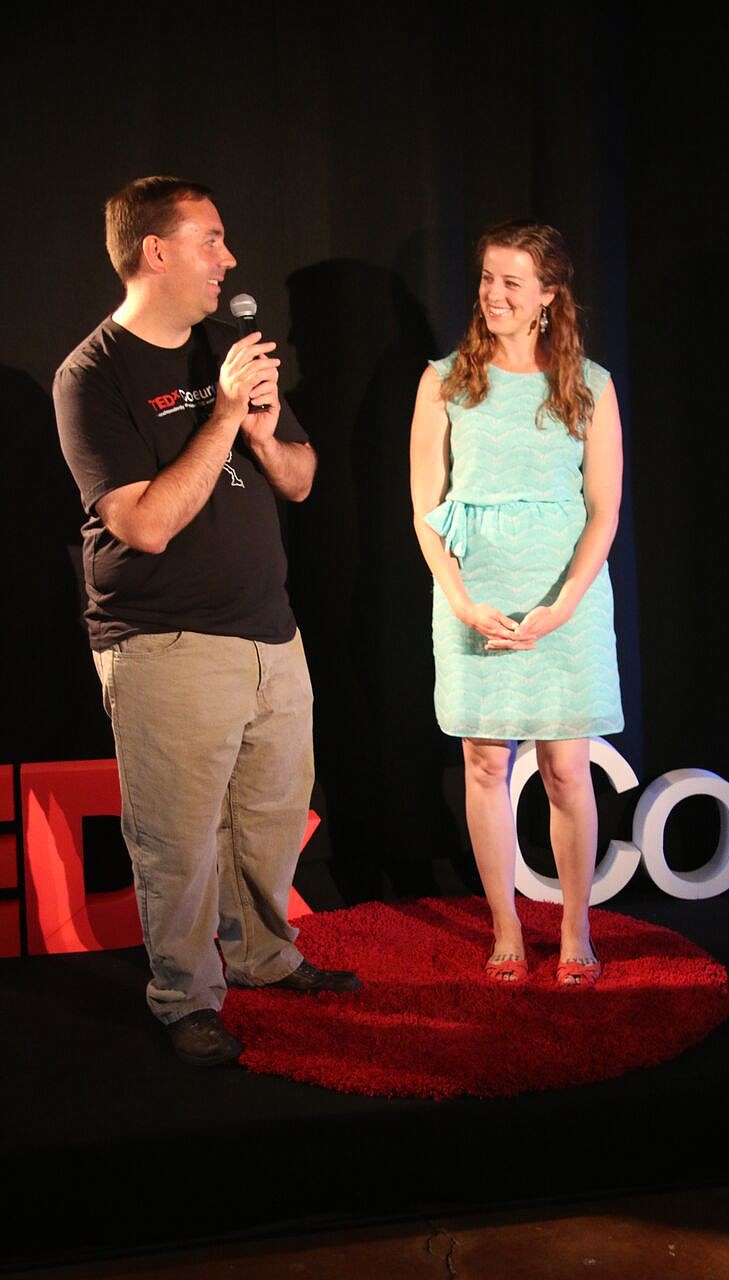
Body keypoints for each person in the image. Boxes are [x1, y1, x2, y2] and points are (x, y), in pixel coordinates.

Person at [53, 177, 360, 1067]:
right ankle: (185, 997)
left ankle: (264, 957)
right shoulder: (93, 374)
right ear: (156, 251)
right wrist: (225, 414)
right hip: (164, 643)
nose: (229, 259)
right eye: (211, 241)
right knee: (177, 841)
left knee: (268, 821)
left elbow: (299, 479)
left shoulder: (229, 346)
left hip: (270, 634)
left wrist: (262, 431)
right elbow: (142, 524)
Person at [410, 220, 623, 986]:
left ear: (547, 296)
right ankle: (505, 927)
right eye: (485, 279)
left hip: (561, 601)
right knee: (481, 763)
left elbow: (602, 509)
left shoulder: (589, 384)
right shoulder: (443, 381)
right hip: (475, 601)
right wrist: (462, 603)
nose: (491, 294)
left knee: (567, 768)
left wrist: (563, 605)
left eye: (510, 282)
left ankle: (574, 928)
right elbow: (423, 509)